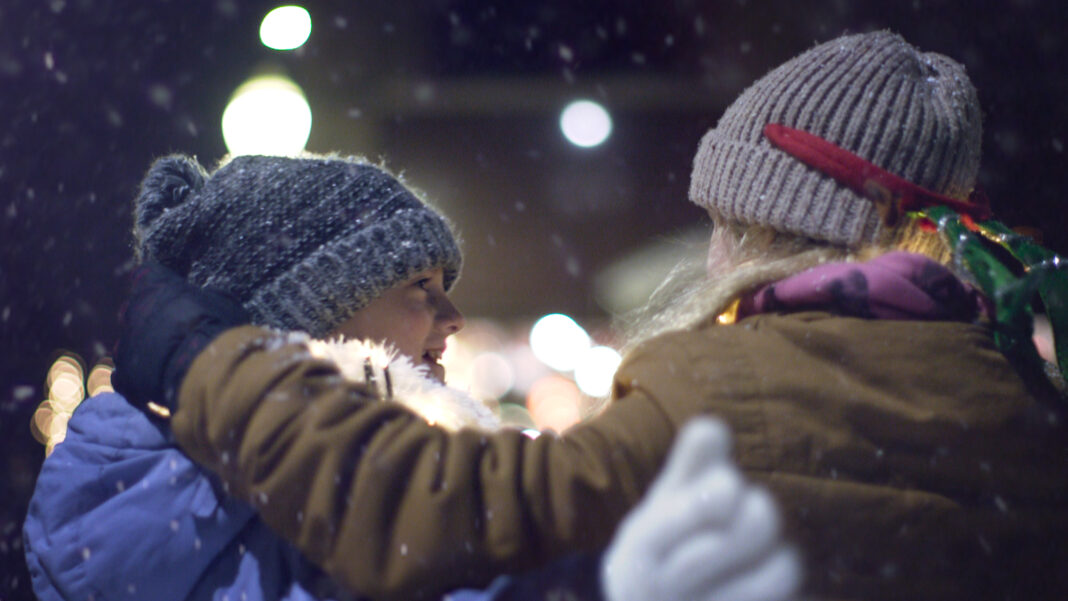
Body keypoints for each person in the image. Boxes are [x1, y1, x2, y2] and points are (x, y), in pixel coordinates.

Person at [107, 30, 1068, 600]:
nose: (715, 252)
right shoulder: (1016, 402)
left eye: (725, 222)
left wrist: (202, 356)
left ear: (781, 227)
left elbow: (435, 507)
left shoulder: (740, 388)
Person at [23, 153, 797, 601]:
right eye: (419, 289)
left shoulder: (152, 466)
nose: (452, 316)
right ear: (312, 309)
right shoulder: (279, 494)